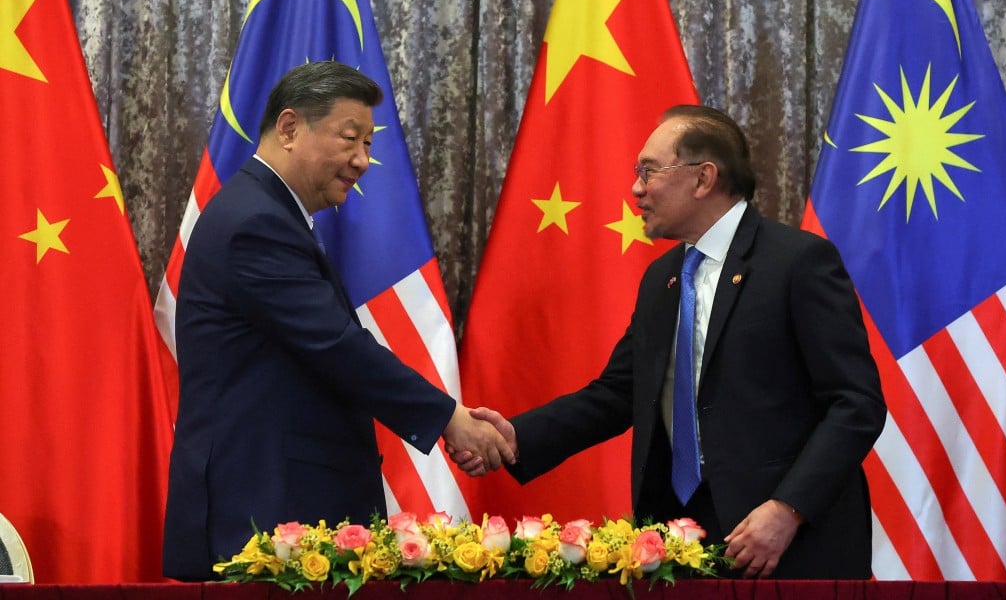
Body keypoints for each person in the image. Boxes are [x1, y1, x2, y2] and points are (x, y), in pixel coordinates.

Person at [456, 105, 886, 579]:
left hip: (786, 544)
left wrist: (788, 508)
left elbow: (855, 403)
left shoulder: (797, 262)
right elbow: (619, 393)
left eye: (648, 171)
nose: (636, 188)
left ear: (704, 178)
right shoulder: (663, 277)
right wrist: (517, 437)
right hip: (680, 540)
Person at [163, 61, 514, 581]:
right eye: (350, 139)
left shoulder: (271, 214)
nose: (363, 160)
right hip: (261, 508)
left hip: (282, 502)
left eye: (369, 145)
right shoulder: (255, 223)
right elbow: (336, 346)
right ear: (288, 128)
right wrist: (448, 417)